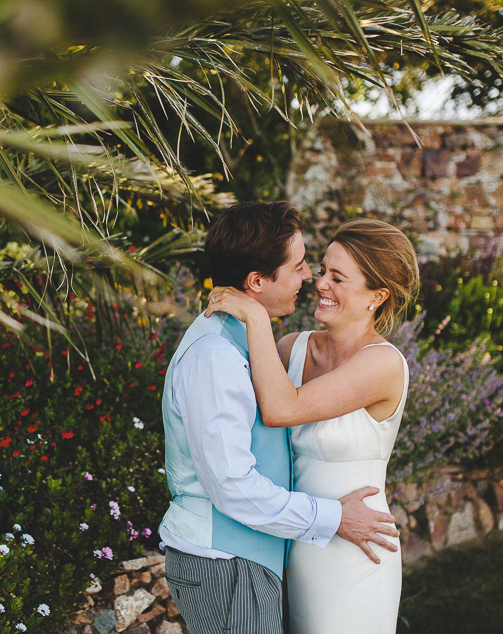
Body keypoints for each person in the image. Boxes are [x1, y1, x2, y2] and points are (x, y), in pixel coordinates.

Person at [159, 202, 399, 634]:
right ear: (256, 281)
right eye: (307, 266)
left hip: (344, 544)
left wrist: (254, 316)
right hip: (260, 547)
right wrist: (328, 519)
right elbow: (234, 480)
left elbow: (278, 411)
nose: (314, 280)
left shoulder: (373, 362)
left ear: (378, 295)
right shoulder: (255, 350)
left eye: (333, 275)